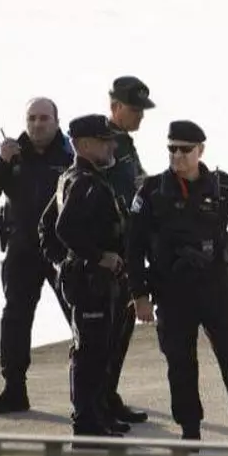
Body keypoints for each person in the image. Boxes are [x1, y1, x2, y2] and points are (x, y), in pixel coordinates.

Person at [128, 121, 228, 443]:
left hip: (215, 290)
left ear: (200, 150)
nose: (177, 155)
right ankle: (190, 433)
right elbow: (133, 247)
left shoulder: (222, 187)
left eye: (185, 149)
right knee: (181, 365)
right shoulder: (151, 192)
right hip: (172, 293)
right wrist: (139, 295)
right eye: (172, 149)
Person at [0, 97, 75, 414]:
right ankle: (14, 389)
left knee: (83, 319)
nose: (37, 124)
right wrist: (0, 162)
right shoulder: (10, 151)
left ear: (56, 121)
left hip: (63, 248)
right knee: (15, 318)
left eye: (44, 118)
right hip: (22, 249)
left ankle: (100, 392)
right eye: (32, 118)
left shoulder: (71, 153)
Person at [50, 114, 131, 439]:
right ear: (83, 145)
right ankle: (86, 425)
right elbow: (62, 228)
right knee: (90, 353)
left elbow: (48, 225)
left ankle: (99, 415)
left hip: (96, 279)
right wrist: (97, 258)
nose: (111, 146)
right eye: (104, 141)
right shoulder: (83, 181)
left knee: (101, 351)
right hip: (90, 281)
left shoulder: (80, 178)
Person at [102, 75, 156, 426]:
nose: (141, 116)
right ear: (116, 107)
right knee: (105, 335)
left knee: (121, 330)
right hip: (107, 250)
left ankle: (108, 396)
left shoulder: (124, 143)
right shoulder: (103, 142)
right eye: (135, 109)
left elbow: (135, 182)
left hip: (125, 247)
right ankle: (99, 402)